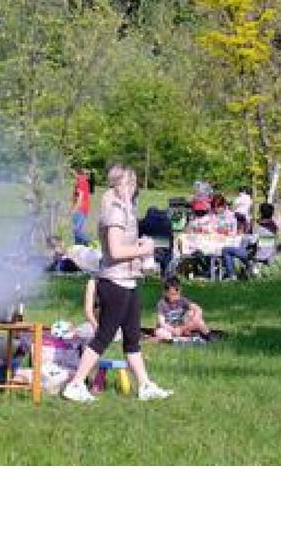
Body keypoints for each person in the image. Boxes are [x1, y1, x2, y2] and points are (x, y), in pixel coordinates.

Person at [62, 164, 173, 402]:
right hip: (115, 282)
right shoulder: (114, 210)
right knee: (103, 337)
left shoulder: (124, 208)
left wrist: (140, 246)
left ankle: (145, 385)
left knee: (132, 337)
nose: (133, 190)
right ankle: (76, 384)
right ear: (120, 184)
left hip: (129, 281)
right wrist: (143, 249)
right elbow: (115, 250)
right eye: (130, 184)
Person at [154, 275, 211, 341]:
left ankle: (208, 336)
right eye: (172, 294)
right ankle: (178, 339)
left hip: (182, 327)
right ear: (165, 293)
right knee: (160, 332)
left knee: (194, 315)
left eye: (177, 294)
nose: (175, 297)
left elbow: (198, 309)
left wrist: (195, 319)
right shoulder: (162, 303)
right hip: (169, 329)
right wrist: (173, 330)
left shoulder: (182, 300)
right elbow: (162, 323)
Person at [70, 167, 91, 245]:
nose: (73, 175)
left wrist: (74, 210)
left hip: (80, 209)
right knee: (78, 232)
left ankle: (91, 242)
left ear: (77, 173)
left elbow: (80, 198)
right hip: (82, 209)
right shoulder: (82, 181)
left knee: (76, 231)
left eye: (73, 173)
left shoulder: (81, 182)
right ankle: (79, 249)